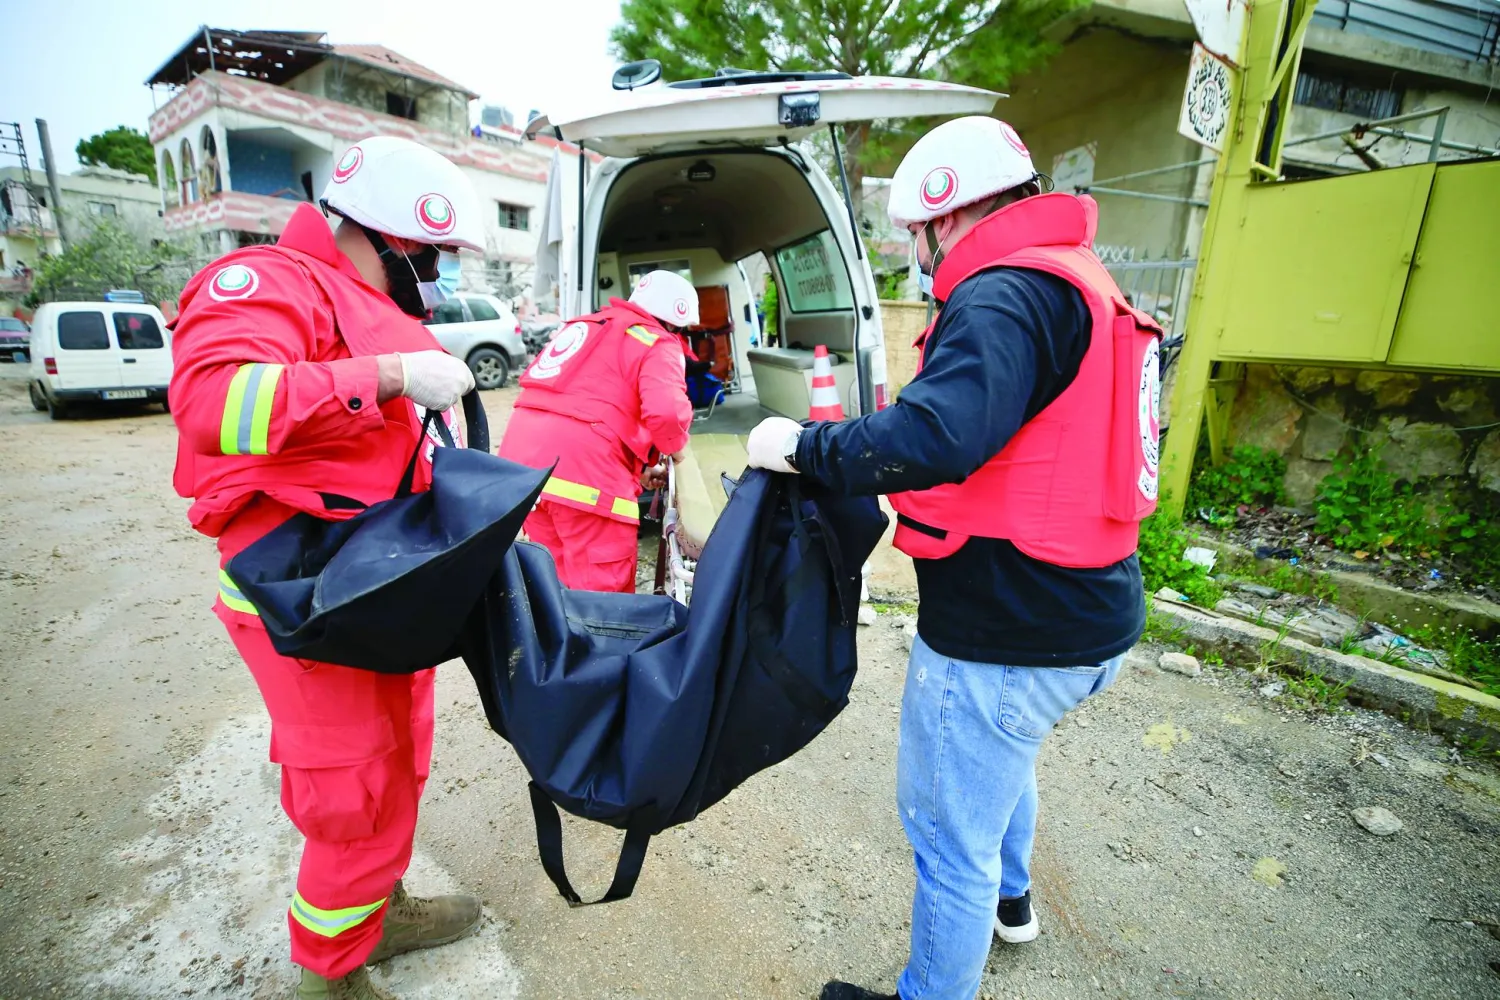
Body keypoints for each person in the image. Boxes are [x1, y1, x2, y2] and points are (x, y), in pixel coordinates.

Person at [745, 116, 1161, 1000]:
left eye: (916, 233)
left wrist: (802, 446)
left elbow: (937, 436)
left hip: (1004, 627)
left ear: (943, 216)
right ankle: (1013, 903)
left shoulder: (1003, 293)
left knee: (947, 838)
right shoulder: (1077, 279)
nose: (918, 252)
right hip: (1091, 612)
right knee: (1004, 764)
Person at [170, 136, 492, 1000]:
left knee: (400, 758)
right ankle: (330, 975)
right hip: (306, 596)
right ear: (393, 238)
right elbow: (213, 405)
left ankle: (378, 911)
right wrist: (388, 374)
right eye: (433, 257)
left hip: (375, 585)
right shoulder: (270, 281)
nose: (438, 277)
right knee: (354, 788)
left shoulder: (363, 296)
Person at [497, 270, 697, 592]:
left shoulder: (586, 328)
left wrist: (639, 468)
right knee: (602, 597)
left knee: (555, 588)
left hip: (523, 473)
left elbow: (587, 405)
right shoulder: (656, 341)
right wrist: (677, 452)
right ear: (676, 323)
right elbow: (667, 413)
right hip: (584, 478)